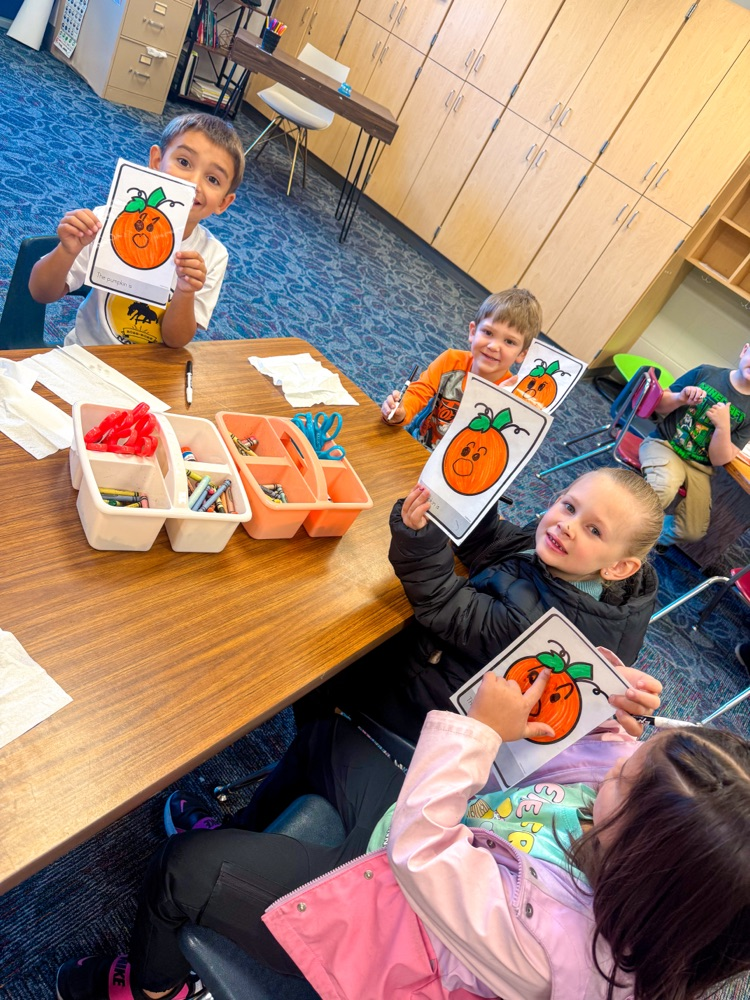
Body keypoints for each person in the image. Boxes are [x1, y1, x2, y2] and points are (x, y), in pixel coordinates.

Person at [55, 665, 750, 1000]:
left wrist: (478, 732)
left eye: (630, 776)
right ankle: (253, 835)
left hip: (385, 938)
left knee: (185, 870)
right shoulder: (636, 847)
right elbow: (579, 763)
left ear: (640, 856)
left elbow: (422, 852)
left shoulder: (550, 947)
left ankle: (149, 989)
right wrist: (599, 704)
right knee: (333, 736)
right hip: (412, 868)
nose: (623, 761)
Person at [297, 466, 663, 744]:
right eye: (569, 507)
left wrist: (419, 538)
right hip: (435, 671)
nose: (568, 526)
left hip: (416, 715)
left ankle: (321, 731)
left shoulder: (543, 624)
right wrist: (475, 495)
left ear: (618, 567)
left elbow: (445, 604)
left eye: (593, 530)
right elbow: (490, 541)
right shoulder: (565, 562)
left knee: (318, 648)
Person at [28, 113, 244, 348]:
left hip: (148, 371)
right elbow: (41, 293)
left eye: (212, 179)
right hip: (86, 354)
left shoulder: (210, 256)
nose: (193, 183)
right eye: (183, 162)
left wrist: (185, 291)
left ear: (223, 202)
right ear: (156, 161)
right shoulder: (110, 222)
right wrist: (66, 251)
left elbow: (176, 341)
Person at [381, 288, 541, 450]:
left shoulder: (512, 395)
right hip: (418, 445)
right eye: (488, 332)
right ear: (473, 332)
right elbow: (418, 392)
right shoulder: (450, 361)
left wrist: (497, 401)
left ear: (522, 354)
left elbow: (499, 447)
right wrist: (401, 411)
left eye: (509, 342)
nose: (493, 346)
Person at [639, 344, 750, 547]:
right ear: (745, 350)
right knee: (662, 489)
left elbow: (719, 459)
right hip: (665, 445)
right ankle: (620, 532)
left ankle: (642, 536)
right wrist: (680, 398)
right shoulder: (706, 372)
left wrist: (723, 427)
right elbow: (659, 405)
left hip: (699, 467)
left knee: (691, 531)